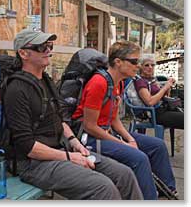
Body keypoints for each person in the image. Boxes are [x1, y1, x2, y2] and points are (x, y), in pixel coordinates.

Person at [4, 29, 143, 200]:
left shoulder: (46, 81)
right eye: (41, 47)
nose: (48, 50)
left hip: (61, 150)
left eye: (49, 45)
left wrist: (74, 143)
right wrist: (69, 157)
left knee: (124, 175)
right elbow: (27, 146)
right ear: (23, 53)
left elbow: (59, 119)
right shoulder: (16, 89)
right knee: (102, 187)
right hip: (34, 164)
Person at [72, 40, 177, 199]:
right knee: (139, 158)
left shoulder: (118, 84)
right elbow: (89, 126)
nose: (138, 66)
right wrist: (122, 143)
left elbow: (114, 120)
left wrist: (129, 139)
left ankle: (167, 192)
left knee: (158, 145)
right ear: (118, 62)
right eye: (134, 62)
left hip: (107, 133)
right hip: (89, 139)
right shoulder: (98, 83)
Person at [134, 54, 183, 130]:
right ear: (141, 67)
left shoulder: (152, 80)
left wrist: (167, 88)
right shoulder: (141, 82)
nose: (150, 67)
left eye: (152, 65)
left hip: (164, 108)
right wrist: (165, 87)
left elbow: (164, 96)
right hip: (155, 114)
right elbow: (150, 102)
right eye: (147, 65)